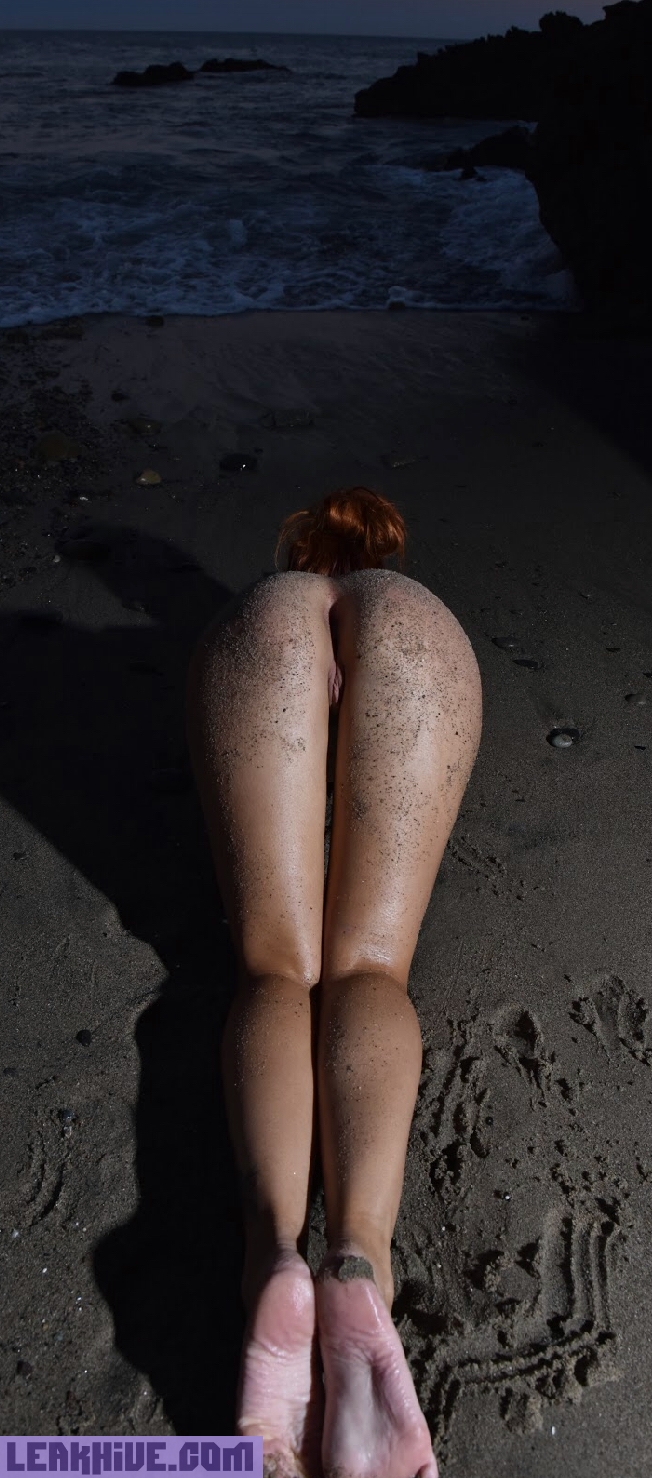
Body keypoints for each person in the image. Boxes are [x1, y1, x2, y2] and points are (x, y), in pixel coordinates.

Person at [186, 486, 482, 1478]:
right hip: (422, 649)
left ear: (297, 550)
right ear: (383, 552)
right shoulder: (406, 600)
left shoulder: (271, 599)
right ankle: (358, 1253)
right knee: (369, 964)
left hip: (260, 645)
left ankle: (273, 1251)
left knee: (276, 965)